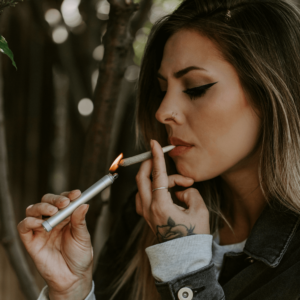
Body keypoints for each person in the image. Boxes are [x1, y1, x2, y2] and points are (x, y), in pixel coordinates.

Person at [17, 0, 300, 299]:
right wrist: (72, 290)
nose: (163, 112)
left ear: (273, 93)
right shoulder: (149, 216)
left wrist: (182, 262)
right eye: (163, 90)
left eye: (195, 88)